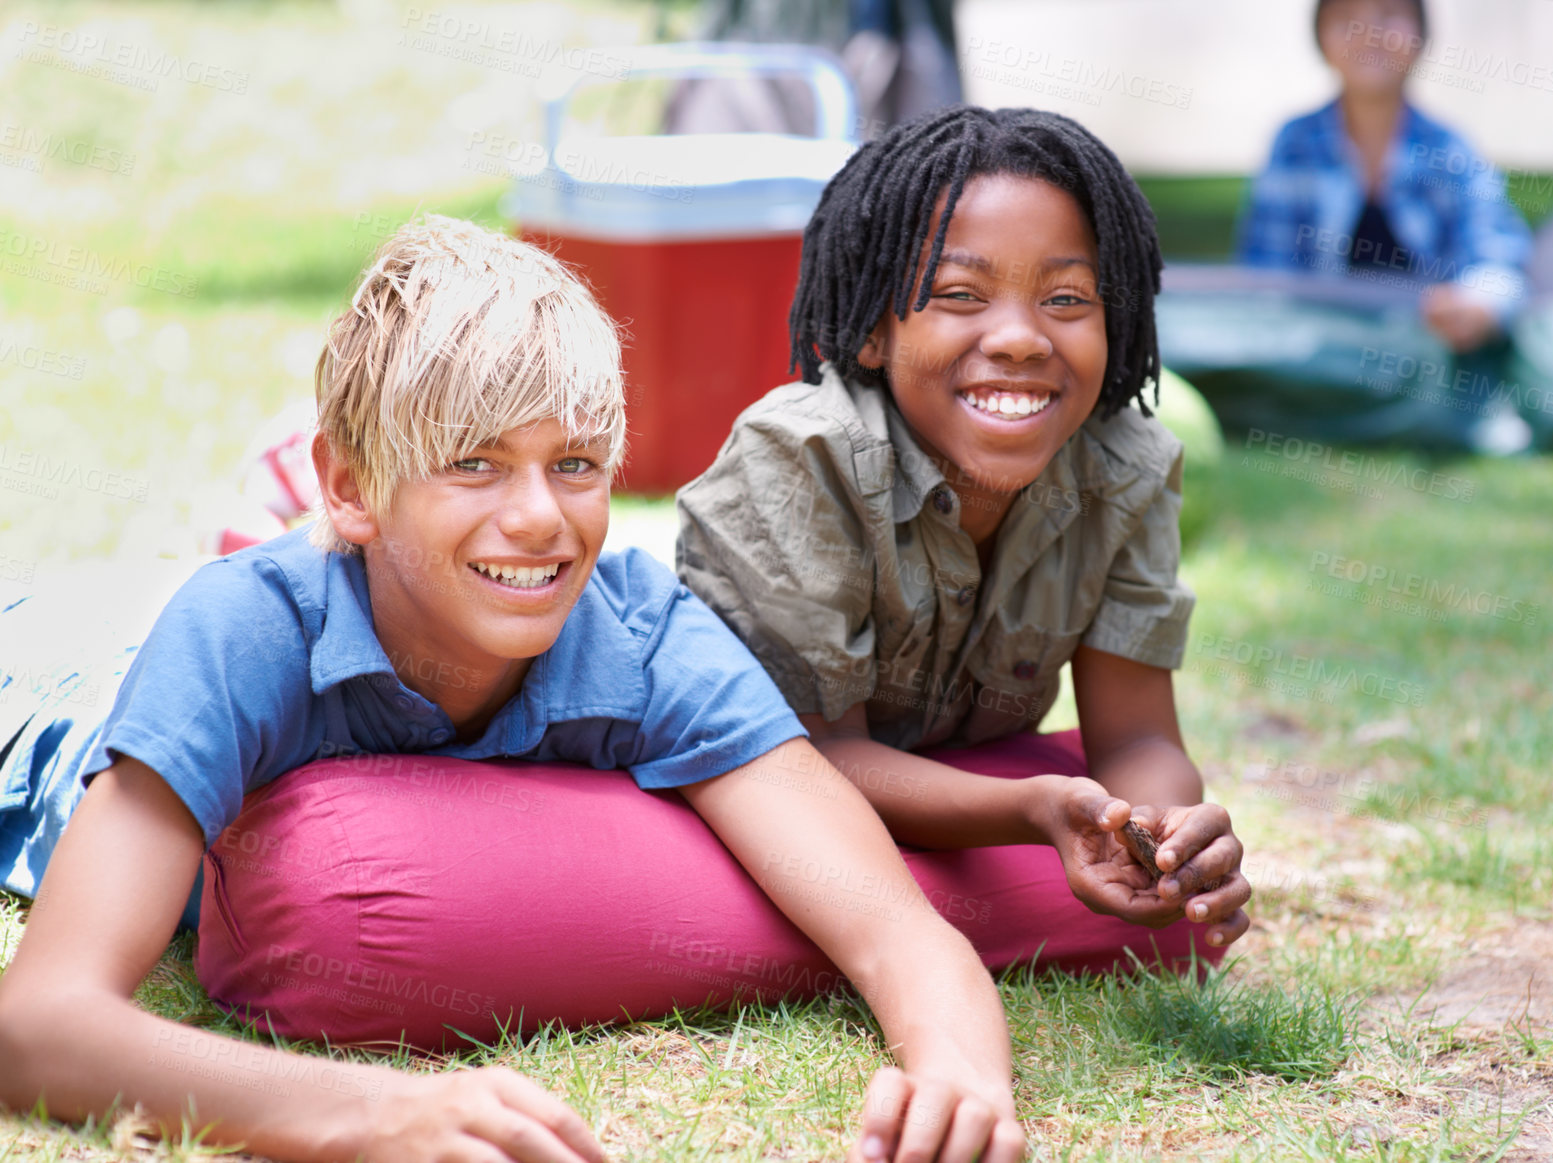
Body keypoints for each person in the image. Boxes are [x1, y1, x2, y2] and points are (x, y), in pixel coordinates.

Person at [0, 217, 1026, 1163]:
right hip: (52, 694)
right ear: (354, 487)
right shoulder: (243, 629)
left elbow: (891, 925)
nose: (540, 517)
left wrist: (961, 1072)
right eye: (475, 463)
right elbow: (40, 1022)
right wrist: (376, 1112)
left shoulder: (643, 633)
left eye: (574, 462)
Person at [676, 106, 1253, 970]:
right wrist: (1028, 809)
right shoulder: (803, 457)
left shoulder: (1125, 466)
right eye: (958, 295)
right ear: (875, 328)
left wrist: (1161, 838)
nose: (1020, 338)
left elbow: (1136, 736)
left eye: (1066, 298)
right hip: (763, 768)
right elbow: (818, 759)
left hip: (947, 765)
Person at [1238, 0, 1534, 355]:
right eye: (1347, 19)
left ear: (1420, 35)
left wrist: (1478, 305)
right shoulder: (1295, 145)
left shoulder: (1449, 150)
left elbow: (1498, 257)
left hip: (1428, 359)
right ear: (1321, 37)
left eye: (1390, 14)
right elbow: (1265, 275)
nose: (1370, 35)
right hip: (1318, 360)